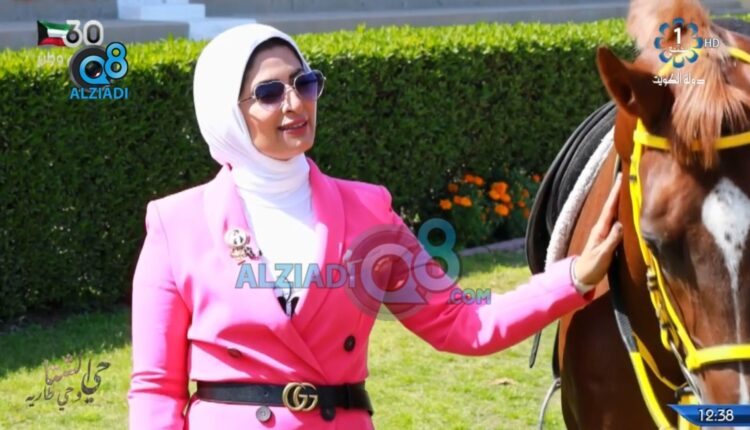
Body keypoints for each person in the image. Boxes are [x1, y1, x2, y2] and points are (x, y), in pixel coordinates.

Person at [127, 23, 623, 430]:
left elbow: (461, 321)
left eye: (304, 83)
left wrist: (574, 277)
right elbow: (156, 388)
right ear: (226, 114)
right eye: (269, 93)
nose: (295, 103)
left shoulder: (367, 210)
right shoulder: (176, 223)